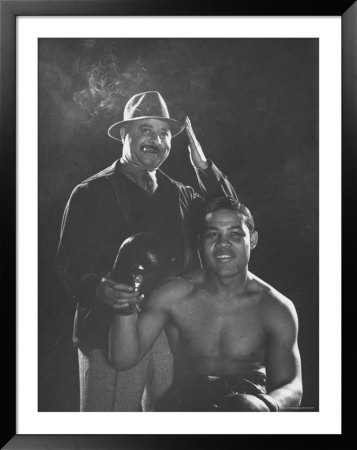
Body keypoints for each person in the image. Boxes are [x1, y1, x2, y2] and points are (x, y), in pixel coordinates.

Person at [56, 91, 237, 411]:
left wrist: (204, 167)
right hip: (108, 332)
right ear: (124, 134)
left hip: (171, 335)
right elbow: (69, 261)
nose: (156, 139)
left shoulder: (183, 194)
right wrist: (98, 286)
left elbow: (232, 214)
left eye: (164, 132)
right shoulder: (90, 192)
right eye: (145, 130)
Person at [109, 196, 303, 411]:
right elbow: (123, 359)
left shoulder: (276, 307)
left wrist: (266, 405)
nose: (222, 243)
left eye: (235, 234)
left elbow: (293, 386)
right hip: (188, 408)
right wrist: (124, 302)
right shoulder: (173, 293)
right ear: (200, 240)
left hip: (250, 412)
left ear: (253, 239)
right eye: (213, 234)